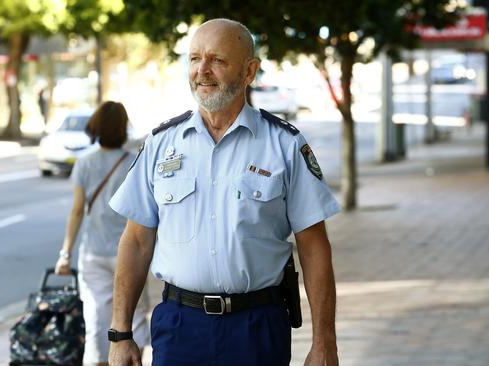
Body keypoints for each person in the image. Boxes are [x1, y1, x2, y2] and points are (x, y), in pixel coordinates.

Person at [108, 18, 340, 366]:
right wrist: (120, 334)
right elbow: (137, 241)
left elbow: (314, 247)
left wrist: (324, 343)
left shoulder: (284, 145)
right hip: (180, 328)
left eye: (218, 60)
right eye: (195, 59)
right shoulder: (160, 145)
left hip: (257, 327)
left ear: (249, 71)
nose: (203, 70)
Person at [55, 101, 149, 366]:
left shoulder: (85, 163)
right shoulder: (134, 163)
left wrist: (65, 254)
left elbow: (76, 212)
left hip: (94, 253)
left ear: (95, 128)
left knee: (96, 316)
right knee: (136, 315)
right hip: (129, 254)